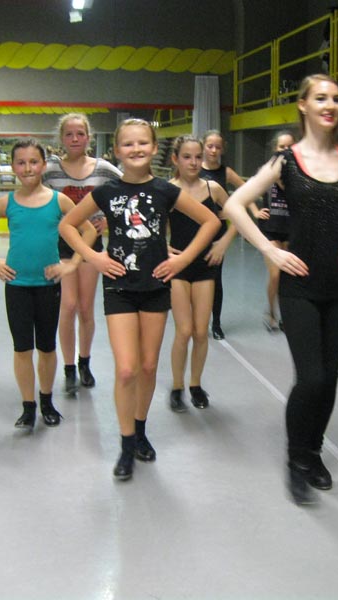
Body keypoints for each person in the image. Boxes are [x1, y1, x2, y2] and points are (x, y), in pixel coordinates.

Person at [223, 74, 338, 505]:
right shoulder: (286, 161)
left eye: (337, 99)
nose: (331, 105)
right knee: (310, 377)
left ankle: (314, 451)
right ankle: (295, 458)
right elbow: (235, 203)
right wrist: (270, 249)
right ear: (303, 105)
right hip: (300, 285)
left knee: (329, 379)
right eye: (321, 98)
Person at [59, 118, 220, 481]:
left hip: (156, 287)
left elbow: (210, 222)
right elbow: (67, 225)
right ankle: (126, 442)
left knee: (148, 367)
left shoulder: (165, 190)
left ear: (154, 148)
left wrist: (182, 259)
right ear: (117, 150)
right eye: (128, 144)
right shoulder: (106, 191)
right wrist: (94, 257)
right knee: (126, 369)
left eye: (143, 143)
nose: (136, 149)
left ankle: (141, 428)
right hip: (119, 287)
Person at [0, 139, 86, 432]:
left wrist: (72, 264)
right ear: (13, 167)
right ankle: (28, 406)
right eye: (21, 163)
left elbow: (87, 229)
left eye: (34, 162)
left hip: (48, 285)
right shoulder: (6, 203)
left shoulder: (59, 201)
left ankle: (46, 401)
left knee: (46, 347)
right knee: (22, 348)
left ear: (44, 165)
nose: (28, 168)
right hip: (17, 285)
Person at [43, 113, 122, 394]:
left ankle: (84, 362)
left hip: (90, 242)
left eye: (80, 134)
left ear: (88, 137)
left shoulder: (104, 169)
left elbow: (127, 192)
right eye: (69, 134)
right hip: (61, 243)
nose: (75, 139)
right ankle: (68, 367)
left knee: (86, 307)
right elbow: (38, 198)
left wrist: (109, 220)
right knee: (68, 305)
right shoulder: (50, 170)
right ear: (61, 138)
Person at [167, 135, 232, 412]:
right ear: (175, 159)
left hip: (206, 266)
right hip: (178, 267)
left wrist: (223, 242)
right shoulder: (167, 190)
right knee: (184, 331)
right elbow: (151, 225)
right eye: (187, 157)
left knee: (201, 332)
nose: (193, 162)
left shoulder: (213, 188)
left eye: (197, 157)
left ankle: (195, 384)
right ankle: (177, 386)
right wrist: (163, 248)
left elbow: (236, 217)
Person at [200, 129, 246, 340]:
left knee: (215, 279)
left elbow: (245, 190)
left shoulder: (225, 172)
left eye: (217, 147)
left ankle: (216, 323)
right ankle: (198, 320)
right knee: (196, 278)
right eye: (210, 146)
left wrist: (228, 211)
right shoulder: (195, 170)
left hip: (217, 233)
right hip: (195, 230)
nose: (213, 150)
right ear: (203, 146)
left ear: (222, 150)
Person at [255, 131, 297, 332]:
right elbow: (247, 193)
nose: (286, 150)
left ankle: (286, 315)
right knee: (276, 274)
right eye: (282, 147)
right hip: (271, 230)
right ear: (275, 149)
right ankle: (271, 311)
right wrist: (256, 211)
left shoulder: (298, 174)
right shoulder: (266, 171)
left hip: (291, 230)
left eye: (290, 147)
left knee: (289, 278)